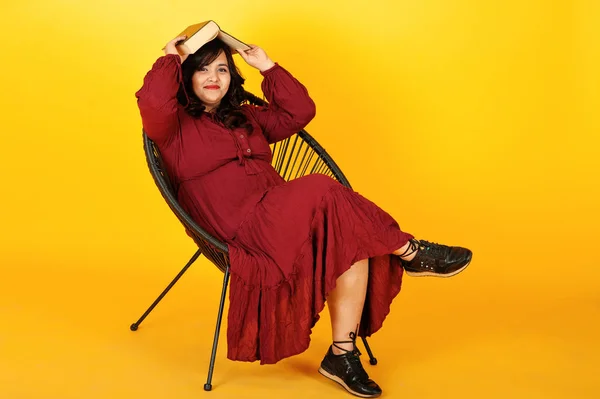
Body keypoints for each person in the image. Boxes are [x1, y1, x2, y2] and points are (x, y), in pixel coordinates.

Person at [135, 35, 473, 398]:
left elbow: (299, 112)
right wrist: (171, 57)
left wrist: (266, 66)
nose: (214, 77)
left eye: (222, 68)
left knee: (350, 238)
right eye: (202, 69)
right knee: (321, 187)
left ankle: (342, 355)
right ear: (186, 77)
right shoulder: (172, 129)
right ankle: (410, 251)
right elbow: (152, 102)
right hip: (242, 230)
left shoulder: (246, 116)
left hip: (281, 216)